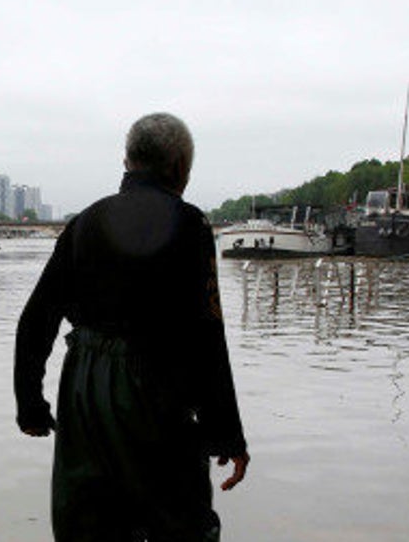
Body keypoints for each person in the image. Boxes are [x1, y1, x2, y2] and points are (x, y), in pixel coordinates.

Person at [15, 113, 249, 541]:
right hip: (151, 387)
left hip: (82, 387)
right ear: (179, 167)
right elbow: (206, 337)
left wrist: (29, 401)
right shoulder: (190, 225)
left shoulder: (83, 223)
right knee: (178, 521)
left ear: (127, 162)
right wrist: (226, 432)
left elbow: (36, 319)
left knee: (87, 522)